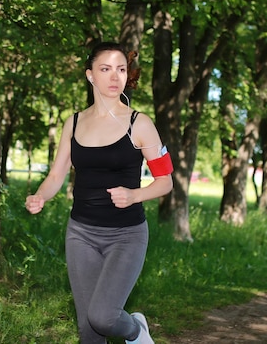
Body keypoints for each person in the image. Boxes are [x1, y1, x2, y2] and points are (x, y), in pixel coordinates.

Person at [25, 42, 174, 343]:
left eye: (120, 69)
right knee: (88, 331)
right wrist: (41, 195)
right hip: (81, 233)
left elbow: (166, 181)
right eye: (105, 69)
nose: (114, 76)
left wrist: (134, 195)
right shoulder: (74, 123)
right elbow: (56, 174)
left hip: (126, 235)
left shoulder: (139, 123)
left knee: (103, 317)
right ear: (90, 75)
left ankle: (135, 331)